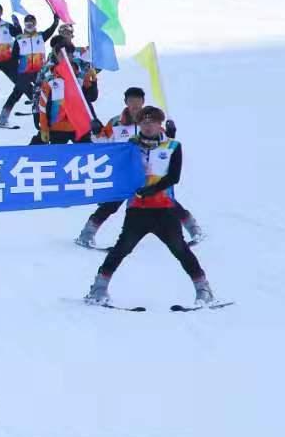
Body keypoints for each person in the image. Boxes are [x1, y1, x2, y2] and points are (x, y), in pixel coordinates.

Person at [84, 106, 216, 307]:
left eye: (152, 122)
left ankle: (203, 290)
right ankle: (98, 289)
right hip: (137, 208)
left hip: (164, 209)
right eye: (143, 122)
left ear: (159, 124)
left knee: (180, 249)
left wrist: (152, 190)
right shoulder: (129, 146)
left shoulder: (172, 146)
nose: (147, 126)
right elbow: (112, 162)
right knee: (121, 249)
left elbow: (174, 177)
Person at [77, 87, 203, 247]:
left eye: (138, 101)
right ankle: (87, 234)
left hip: (150, 172)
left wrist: (171, 133)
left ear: (143, 102)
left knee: (168, 201)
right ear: (126, 103)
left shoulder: (152, 120)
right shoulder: (116, 123)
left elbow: (165, 144)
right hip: (125, 172)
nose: (135, 105)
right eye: (131, 101)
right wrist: (95, 132)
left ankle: (194, 229)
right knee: (112, 203)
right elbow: (102, 144)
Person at [0, 12, 58, 126]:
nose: (29, 25)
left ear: (35, 24)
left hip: (39, 72)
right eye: (27, 24)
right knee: (17, 92)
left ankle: (49, 115)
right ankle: (4, 115)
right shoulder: (19, 38)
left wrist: (55, 22)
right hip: (24, 72)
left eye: (32, 23)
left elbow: (50, 31)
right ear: (25, 25)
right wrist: (15, 71)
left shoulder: (40, 36)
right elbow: (14, 57)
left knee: (45, 92)